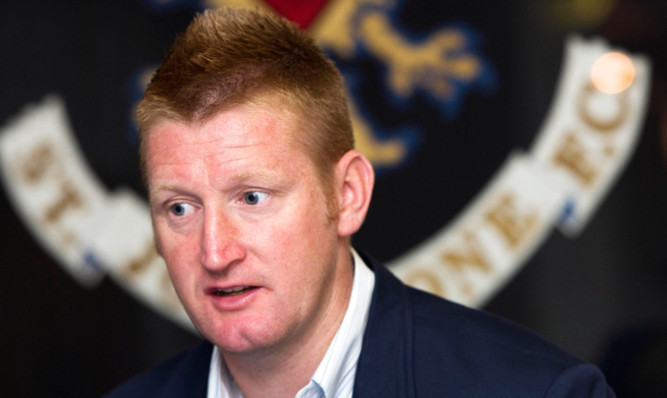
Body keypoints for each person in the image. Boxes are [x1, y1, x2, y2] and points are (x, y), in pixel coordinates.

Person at [106, 7, 615, 398]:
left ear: (348, 195)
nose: (215, 252)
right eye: (179, 209)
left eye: (252, 197)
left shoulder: (535, 391)